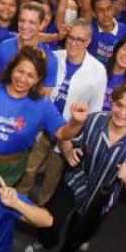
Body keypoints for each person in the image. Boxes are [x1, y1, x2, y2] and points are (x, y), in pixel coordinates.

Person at [29, 79, 126, 252]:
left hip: (100, 198)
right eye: (119, 105)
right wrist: (69, 152)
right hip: (76, 179)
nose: (122, 112)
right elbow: (66, 139)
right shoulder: (93, 120)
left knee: (76, 237)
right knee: (52, 217)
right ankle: (45, 241)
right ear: (112, 101)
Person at [18, 19, 105, 205]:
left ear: (88, 42)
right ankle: (18, 202)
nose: (73, 43)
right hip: (42, 126)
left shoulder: (98, 71)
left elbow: (96, 110)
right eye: (71, 38)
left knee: (52, 176)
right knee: (29, 168)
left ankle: (41, 209)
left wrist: (79, 139)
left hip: (67, 132)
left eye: (79, 40)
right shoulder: (53, 57)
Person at [0, 46, 89, 186]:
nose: (23, 79)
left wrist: (76, 122)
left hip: (9, 169)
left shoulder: (42, 105)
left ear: (38, 79)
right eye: (20, 71)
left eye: (30, 75)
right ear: (11, 69)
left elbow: (62, 133)